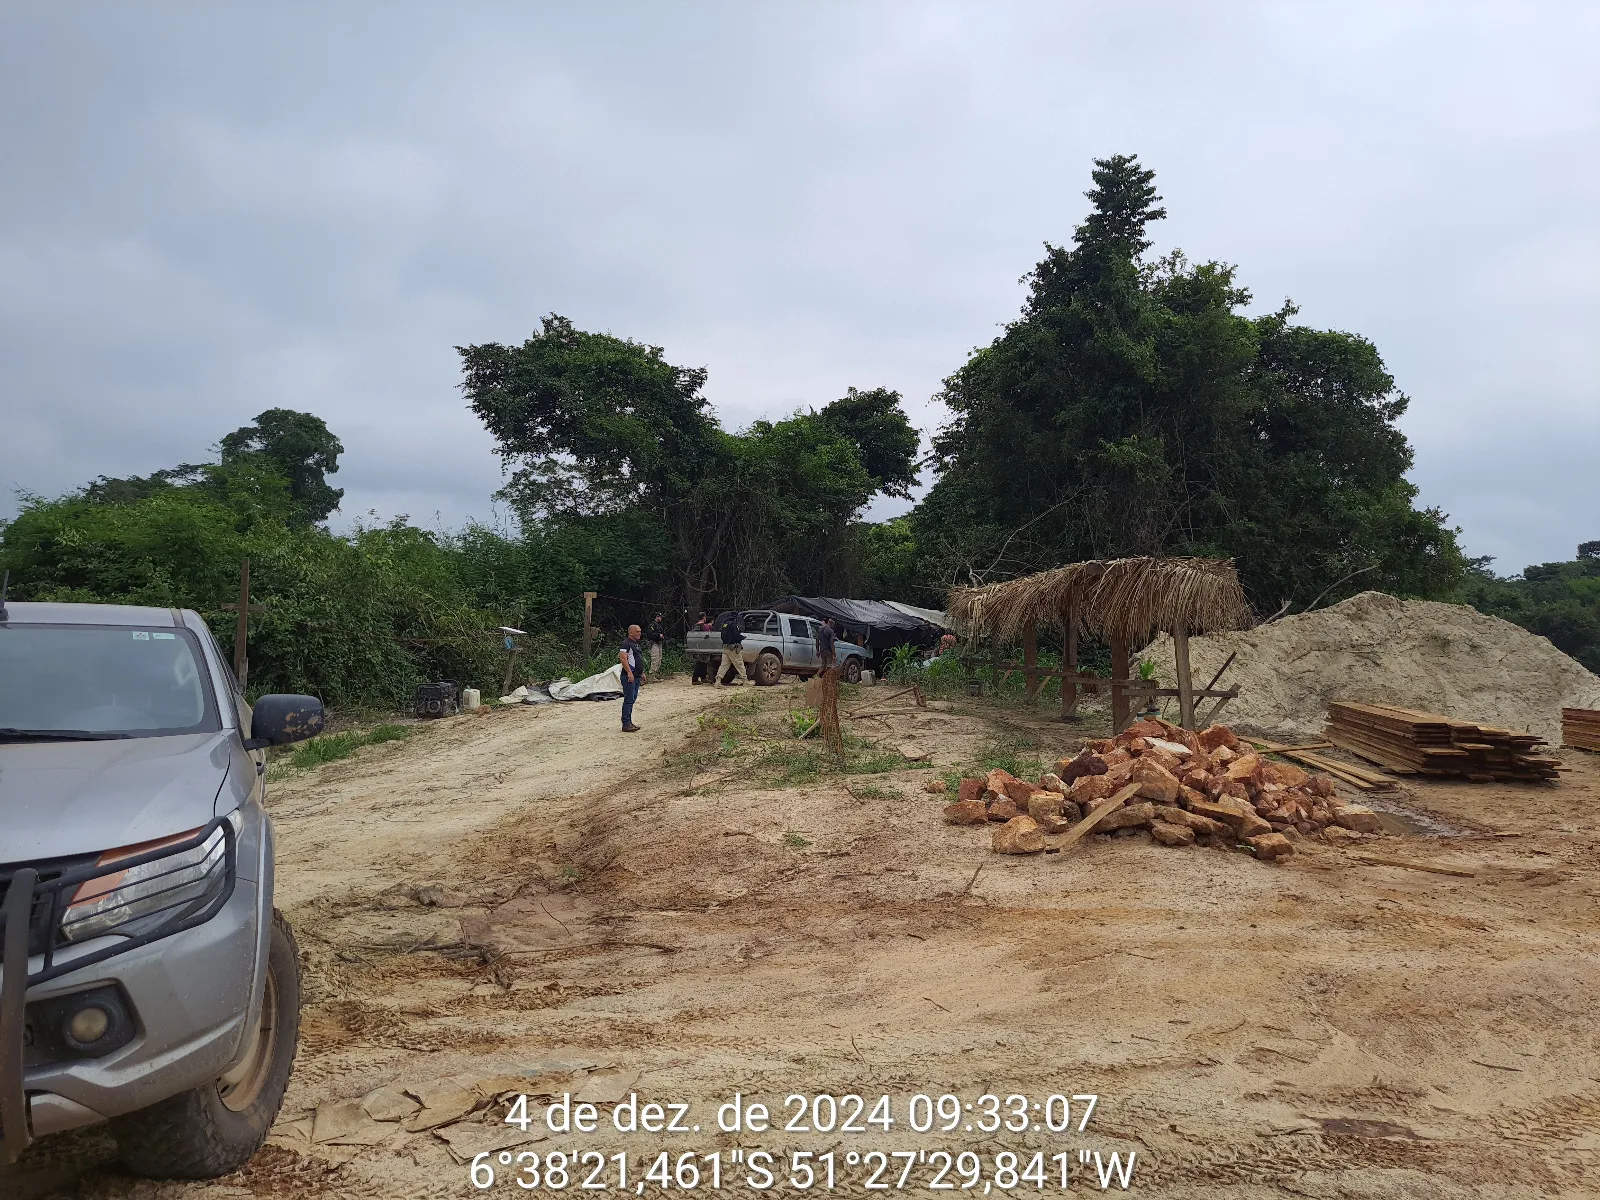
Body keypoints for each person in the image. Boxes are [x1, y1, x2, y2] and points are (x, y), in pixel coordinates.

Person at [618, 623, 644, 732]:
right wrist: (629, 672)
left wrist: (642, 672)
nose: (639, 633)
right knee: (629, 700)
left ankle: (628, 721)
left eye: (640, 631)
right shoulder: (626, 644)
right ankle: (626, 723)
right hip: (629, 677)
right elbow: (623, 658)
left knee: (632, 699)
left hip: (637, 676)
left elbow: (637, 659)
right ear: (631, 632)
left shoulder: (635, 644)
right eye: (637, 631)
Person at [718, 610, 747, 685]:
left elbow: (722, 636)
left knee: (724, 665)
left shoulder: (725, 624)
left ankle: (718, 682)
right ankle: (745, 681)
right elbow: (736, 635)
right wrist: (742, 637)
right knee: (739, 664)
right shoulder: (734, 625)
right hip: (733, 648)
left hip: (725, 648)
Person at [691, 611, 714, 684]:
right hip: (704, 646)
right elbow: (709, 635)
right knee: (702, 662)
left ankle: (703, 677)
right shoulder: (705, 626)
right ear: (704, 617)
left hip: (696, 646)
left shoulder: (694, 626)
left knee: (701, 662)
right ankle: (695, 679)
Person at [647, 612, 665, 679]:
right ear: (657, 617)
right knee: (655, 659)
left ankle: (655, 674)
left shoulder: (659, 625)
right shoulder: (652, 625)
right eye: (660, 617)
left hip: (659, 643)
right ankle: (651, 675)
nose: (661, 618)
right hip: (653, 644)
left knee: (659, 659)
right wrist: (658, 635)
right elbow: (649, 635)